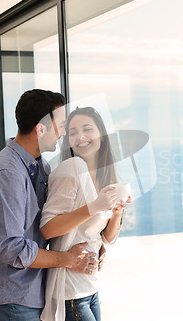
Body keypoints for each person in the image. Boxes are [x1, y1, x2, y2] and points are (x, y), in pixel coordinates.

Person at [0, 89, 97, 321]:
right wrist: (68, 259)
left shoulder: (40, 167)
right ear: (40, 129)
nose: (63, 132)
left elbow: (48, 225)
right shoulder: (6, 173)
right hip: (11, 298)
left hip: (30, 292)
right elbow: (13, 250)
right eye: (60, 125)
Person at [40, 107, 131, 321]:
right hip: (69, 291)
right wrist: (96, 206)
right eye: (72, 132)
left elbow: (107, 239)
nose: (80, 136)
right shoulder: (71, 168)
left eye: (87, 129)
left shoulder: (105, 174)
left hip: (90, 288)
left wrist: (117, 211)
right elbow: (47, 229)